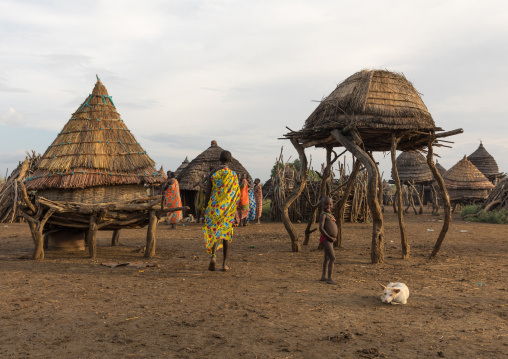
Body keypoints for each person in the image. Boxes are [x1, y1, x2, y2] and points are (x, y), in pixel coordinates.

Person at [203, 150, 240, 271]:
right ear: (230, 161)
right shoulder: (234, 175)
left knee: (215, 232)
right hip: (227, 210)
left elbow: (208, 192)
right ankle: (224, 264)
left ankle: (213, 256)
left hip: (214, 208)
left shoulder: (213, 173)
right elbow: (236, 194)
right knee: (226, 234)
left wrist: (205, 207)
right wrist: (234, 210)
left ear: (219, 160)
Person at [319, 196, 337, 284]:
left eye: (330, 204)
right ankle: (329, 278)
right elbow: (321, 228)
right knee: (332, 257)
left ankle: (323, 276)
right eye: (326, 204)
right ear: (322, 205)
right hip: (326, 239)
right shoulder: (323, 215)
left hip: (330, 239)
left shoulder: (330, 215)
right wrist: (330, 237)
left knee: (326, 258)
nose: (328, 206)